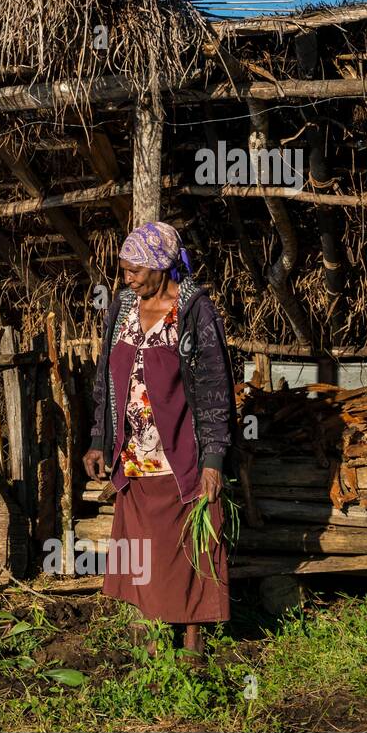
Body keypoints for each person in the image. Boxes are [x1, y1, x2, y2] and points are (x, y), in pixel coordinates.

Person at [83, 221, 237, 666]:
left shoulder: (193, 311)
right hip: (133, 455)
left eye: (134, 270)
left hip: (179, 455)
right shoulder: (123, 306)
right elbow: (104, 381)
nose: (127, 279)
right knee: (143, 550)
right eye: (124, 270)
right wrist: (99, 438)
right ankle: (151, 637)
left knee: (188, 547)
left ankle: (192, 643)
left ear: (162, 265)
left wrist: (212, 460)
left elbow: (214, 389)